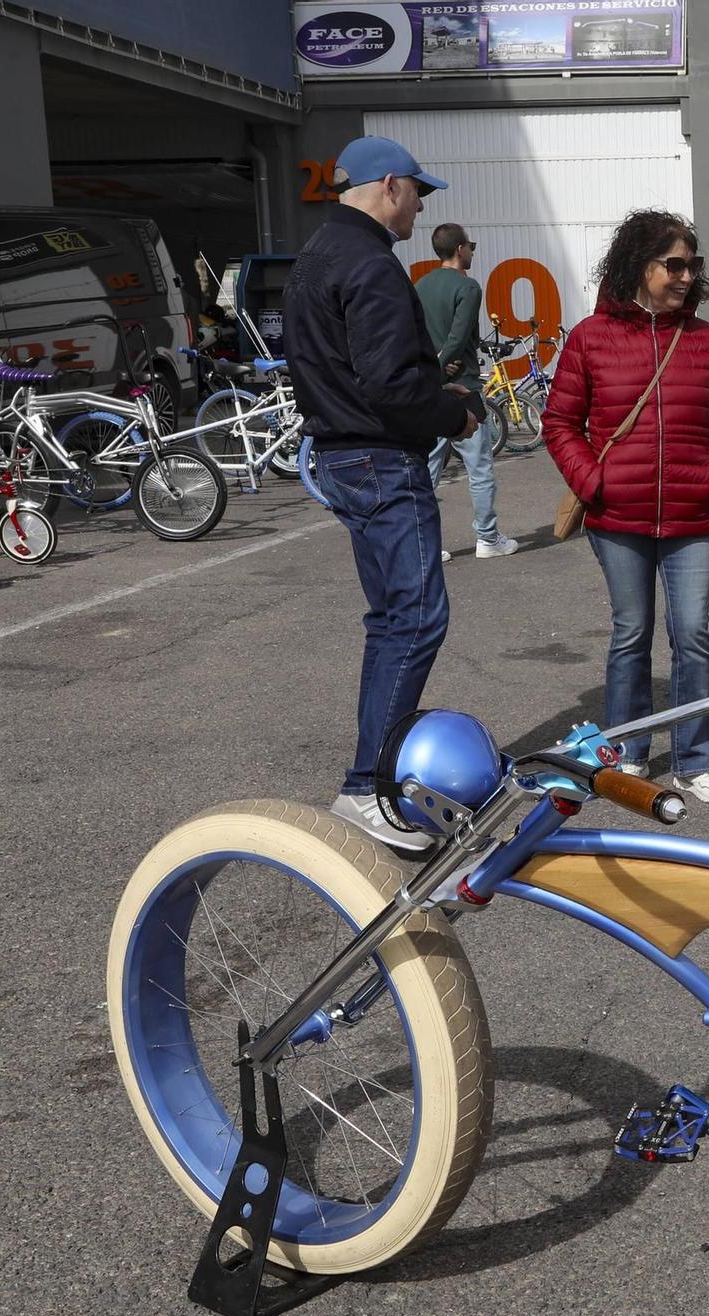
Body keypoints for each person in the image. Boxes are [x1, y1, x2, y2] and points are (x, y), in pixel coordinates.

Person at [282, 135, 478, 852]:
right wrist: (451, 410)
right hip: (378, 459)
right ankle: (368, 786)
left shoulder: (315, 258)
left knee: (391, 620)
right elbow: (391, 387)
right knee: (417, 618)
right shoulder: (371, 264)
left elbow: (348, 368)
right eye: (418, 194)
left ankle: (374, 781)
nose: (420, 209)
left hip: (340, 453)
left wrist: (427, 394)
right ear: (389, 185)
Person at [541, 209, 709, 804]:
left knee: (692, 634)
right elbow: (560, 421)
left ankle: (696, 760)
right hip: (616, 515)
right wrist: (593, 479)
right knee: (630, 633)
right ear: (640, 265)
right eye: (674, 264)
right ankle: (629, 751)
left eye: (693, 266)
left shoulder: (705, 340)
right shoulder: (590, 337)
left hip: (692, 515)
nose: (686, 276)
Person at [417, 222, 519, 558]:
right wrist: (443, 361)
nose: (472, 251)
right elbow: (459, 337)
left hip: (430, 390)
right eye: (470, 246)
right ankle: (487, 538)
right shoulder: (468, 287)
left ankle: (428, 545)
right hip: (465, 388)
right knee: (479, 467)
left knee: (429, 469)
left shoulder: (420, 285)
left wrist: (430, 369)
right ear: (460, 249)